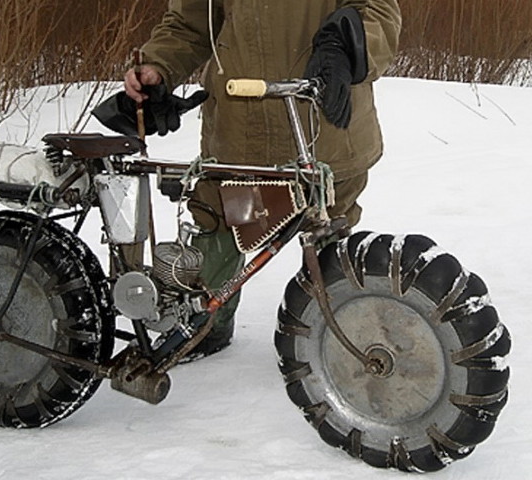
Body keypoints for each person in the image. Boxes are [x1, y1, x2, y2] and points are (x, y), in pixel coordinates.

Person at [115, 0, 402, 360]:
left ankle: (340, 335)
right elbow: (190, 25)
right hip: (239, 137)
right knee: (219, 221)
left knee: (328, 232)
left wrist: (346, 46)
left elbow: (378, 12)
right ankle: (205, 328)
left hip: (324, 129)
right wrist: (158, 66)